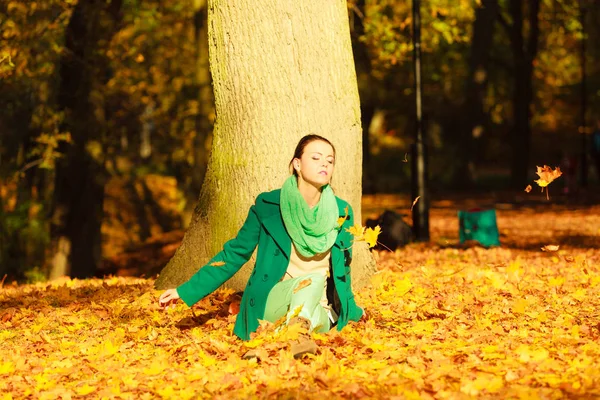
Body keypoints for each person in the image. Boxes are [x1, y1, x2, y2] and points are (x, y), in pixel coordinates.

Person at [158, 134, 365, 358]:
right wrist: (185, 290)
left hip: (319, 306)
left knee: (314, 297)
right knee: (312, 279)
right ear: (297, 164)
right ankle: (294, 337)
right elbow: (234, 254)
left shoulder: (342, 212)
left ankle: (282, 338)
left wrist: (353, 310)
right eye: (315, 158)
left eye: (330, 160)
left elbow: (344, 270)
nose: (324, 163)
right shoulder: (268, 206)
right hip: (275, 300)